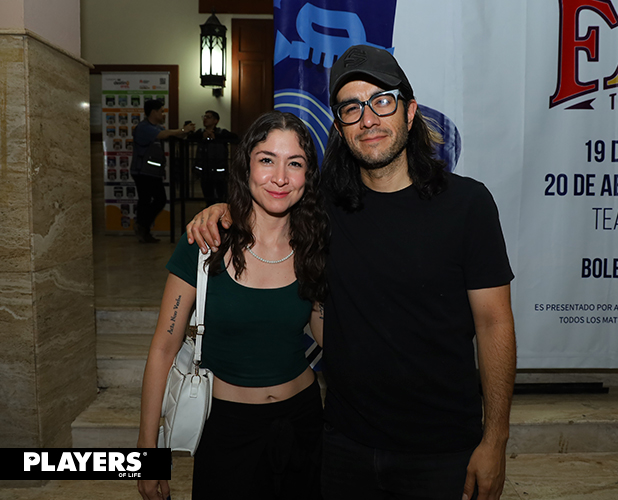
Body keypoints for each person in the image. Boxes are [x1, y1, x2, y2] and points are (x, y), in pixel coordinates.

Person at [186, 45, 516, 500]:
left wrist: (495, 439)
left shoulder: (467, 205)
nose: (368, 119)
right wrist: (223, 210)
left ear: (410, 112)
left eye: (382, 101)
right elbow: (270, 200)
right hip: (344, 446)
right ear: (340, 128)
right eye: (351, 108)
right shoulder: (323, 208)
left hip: (441, 450)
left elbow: (495, 323)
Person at [137, 110, 328, 500]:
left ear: (308, 175)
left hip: (304, 421)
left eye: (295, 163)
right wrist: (147, 450)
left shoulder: (315, 245)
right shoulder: (205, 241)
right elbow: (163, 348)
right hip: (227, 428)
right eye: (267, 160)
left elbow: (328, 337)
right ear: (246, 167)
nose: (280, 177)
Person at [131, 99, 196, 243]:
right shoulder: (144, 127)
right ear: (153, 112)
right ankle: (142, 226)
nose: (163, 114)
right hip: (142, 172)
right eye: (161, 111)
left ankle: (143, 228)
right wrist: (183, 130)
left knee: (152, 200)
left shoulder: (157, 127)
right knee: (150, 200)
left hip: (152, 172)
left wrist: (185, 131)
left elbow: (171, 135)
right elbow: (163, 135)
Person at [190, 110, 239, 206]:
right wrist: (202, 136)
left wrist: (216, 137)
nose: (205, 119)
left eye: (208, 117)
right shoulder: (200, 132)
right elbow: (190, 138)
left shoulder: (222, 132)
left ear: (216, 121)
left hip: (219, 172)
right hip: (204, 172)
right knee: (208, 199)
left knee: (222, 198)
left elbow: (235, 137)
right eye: (204, 117)